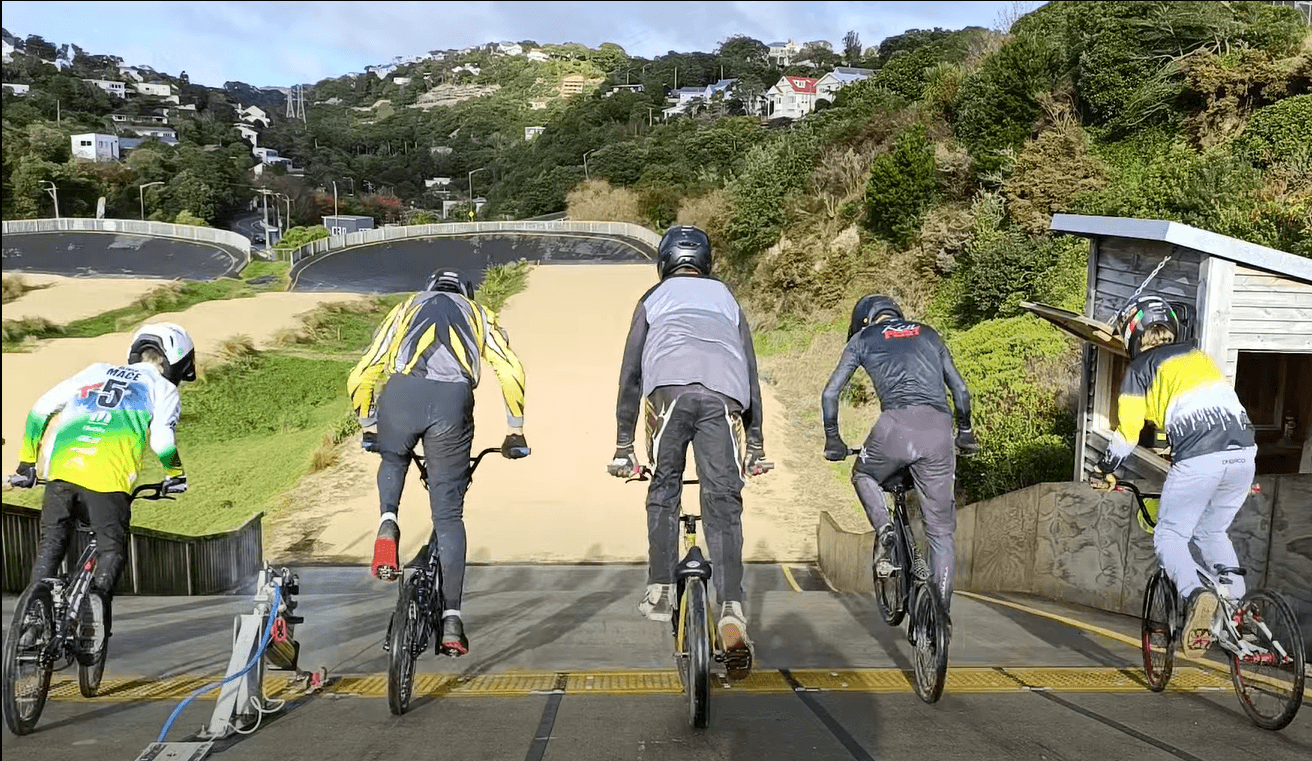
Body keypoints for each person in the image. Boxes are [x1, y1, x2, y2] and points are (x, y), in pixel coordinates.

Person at [607, 225, 771, 680]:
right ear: (706, 262)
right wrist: (755, 446)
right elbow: (751, 376)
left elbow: (630, 376)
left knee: (664, 486)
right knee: (724, 501)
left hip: (669, 393)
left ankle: (661, 586)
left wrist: (623, 446)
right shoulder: (727, 298)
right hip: (724, 397)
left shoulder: (653, 298)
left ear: (664, 262)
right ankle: (732, 607)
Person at [348, 267, 529, 656]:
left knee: (393, 459)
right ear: (467, 293)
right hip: (452, 404)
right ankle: (451, 620)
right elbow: (510, 369)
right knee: (448, 518)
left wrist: (369, 423)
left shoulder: (405, 309)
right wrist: (515, 428)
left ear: (428, 288)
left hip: (402, 395)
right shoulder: (479, 314)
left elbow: (364, 371)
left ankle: (387, 525)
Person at [11, 323, 194, 655]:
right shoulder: (163, 390)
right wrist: (175, 474)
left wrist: (26, 463)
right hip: (108, 482)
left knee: (51, 545)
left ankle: (32, 624)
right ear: (177, 363)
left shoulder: (95, 371)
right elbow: (162, 440)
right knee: (112, 551)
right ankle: (93, 621)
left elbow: (40, 410)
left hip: (61, 472)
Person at [1091, 295, 1256, 656]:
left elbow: (1129, 432)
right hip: (1245, 452)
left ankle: (1197, 596)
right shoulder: (1198, 358)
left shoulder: (1140, 369)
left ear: (1134, 334)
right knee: (1211, 530)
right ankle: (1235, 605)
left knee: (1170, 534)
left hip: (1200, 457)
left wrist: (1104, 469)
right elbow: (1195, 404)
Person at [821, 295, 977, 618]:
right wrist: (964, 432)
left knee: (863, 475)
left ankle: (886, 530)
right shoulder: (928, 333)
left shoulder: (863, 340)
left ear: (864, 320)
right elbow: (960, 390)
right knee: (941, 533)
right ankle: (940, 615)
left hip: (896, 428)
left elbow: (830, 393)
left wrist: (833, 439)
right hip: (938, 430)